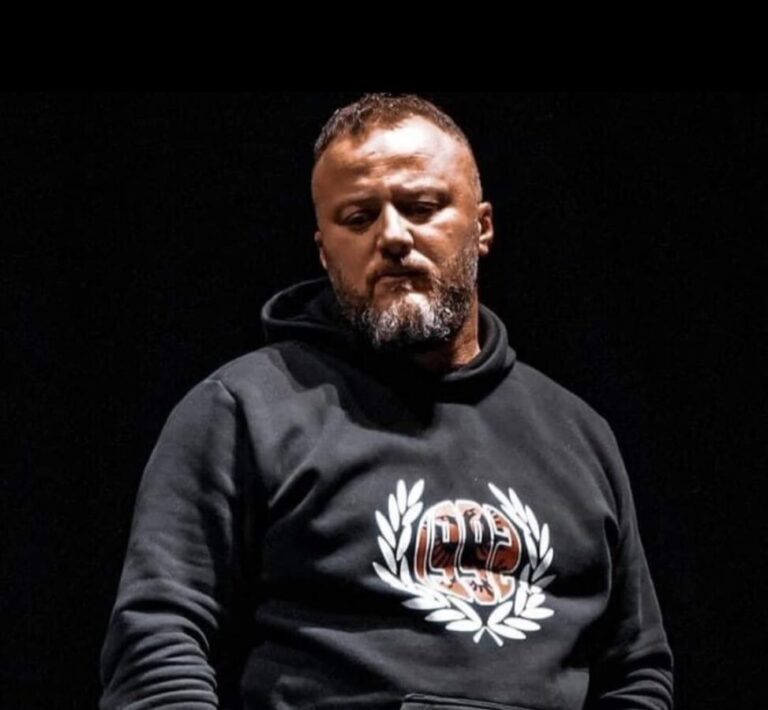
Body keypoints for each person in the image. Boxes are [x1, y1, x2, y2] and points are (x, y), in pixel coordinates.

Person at [100, 93, 673, 709]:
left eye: (422, 207)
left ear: (481, 227)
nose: (393, 236)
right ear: (324, 251)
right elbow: (157, 644)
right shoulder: (241, 411)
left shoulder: (579, 435)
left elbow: (636, 672)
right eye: (358, 218)